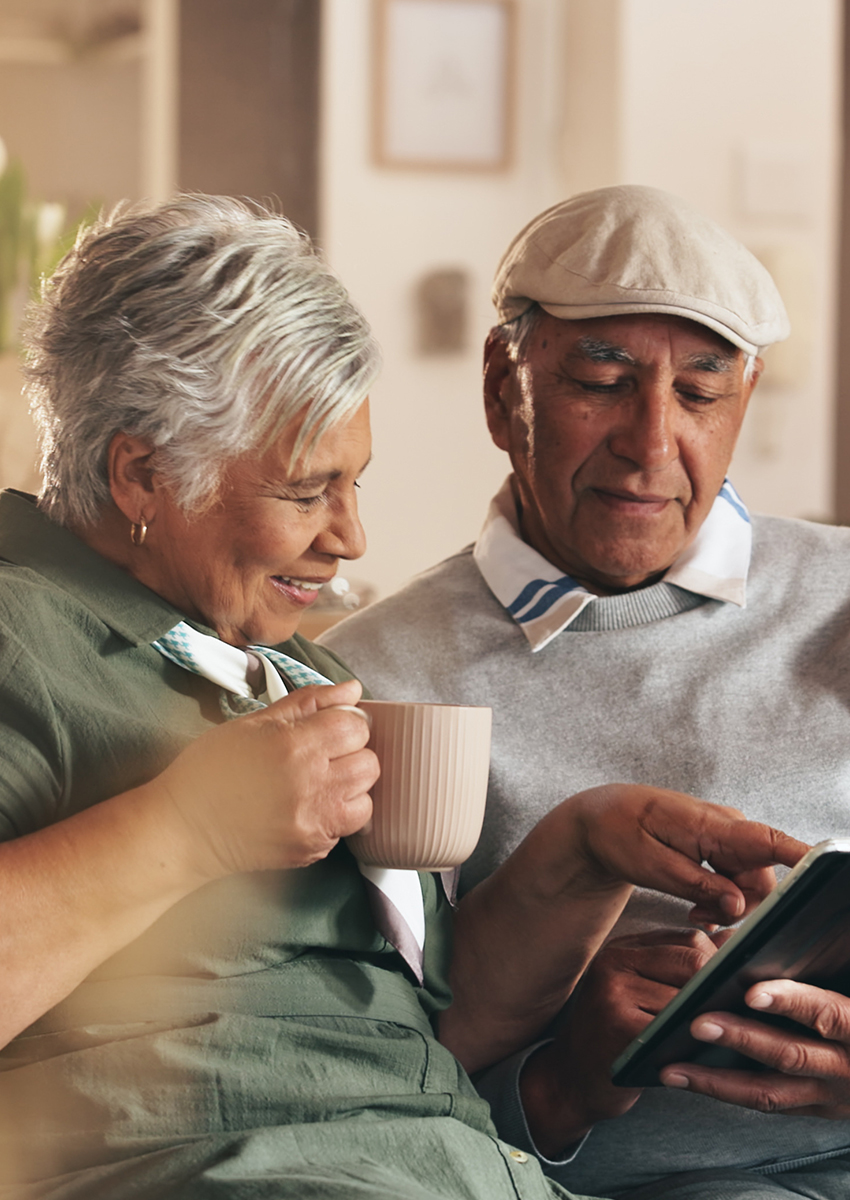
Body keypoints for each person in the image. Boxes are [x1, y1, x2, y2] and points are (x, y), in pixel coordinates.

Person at [0, 193, 803, 1200]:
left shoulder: (287, 670)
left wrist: (582, 847)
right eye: (306, 492)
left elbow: (433, 1032)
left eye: (356, 487)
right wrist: (188, 830)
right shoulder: (20, 634)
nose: (350, 540)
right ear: (142, 475)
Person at [322, 185, 850, 1200]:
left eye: (699, 395)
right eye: (601, 382)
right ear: (498, 387)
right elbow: (382, 1091)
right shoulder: (376, 681)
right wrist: (566, 1078)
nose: (650, 443)